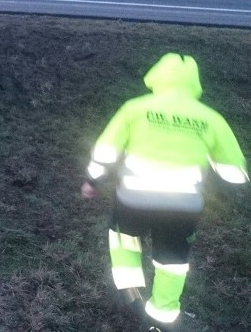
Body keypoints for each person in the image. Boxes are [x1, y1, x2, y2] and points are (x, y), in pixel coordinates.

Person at [81, 53, 247, 331]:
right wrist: (222, 191)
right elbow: (234, 171)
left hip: (134, 199)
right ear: (194, 82)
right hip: (183, 207)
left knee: (124, 240)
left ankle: (129, 290)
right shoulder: (210, 118)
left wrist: (92, 181)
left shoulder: (135, 108)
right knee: (172, 262)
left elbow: (106, 150)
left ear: (156, 75)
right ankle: (162, 316)